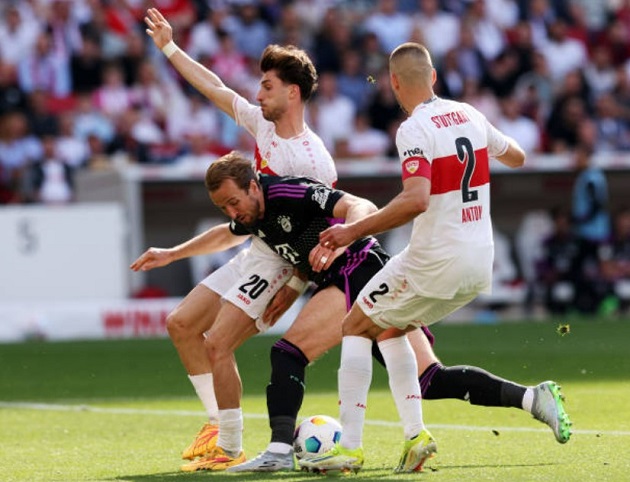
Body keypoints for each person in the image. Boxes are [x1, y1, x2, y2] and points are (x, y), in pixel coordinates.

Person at [301, 42, 572, 474]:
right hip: (479, 261)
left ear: (393, 83)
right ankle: (416, 437)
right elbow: (518, 156)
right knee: (390, 327)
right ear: (433, 77)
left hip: (435, 259)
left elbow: (416, 200)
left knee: (354, 325)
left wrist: (351, 231)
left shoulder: (412, 129)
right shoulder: (469, 114)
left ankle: (349, 447)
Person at [136, 7, 337, 471]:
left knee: (218, 342)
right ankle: (217, 424)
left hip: (279, 262)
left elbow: (321, 235)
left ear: (292, 92)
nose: (257, 93)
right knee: (181, 324)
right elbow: (215, 88)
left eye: (266, 86)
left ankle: (229, 447)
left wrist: (294, 287)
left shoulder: (313, 162)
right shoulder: (263, 124)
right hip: (255, 250)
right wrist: (170, 47)